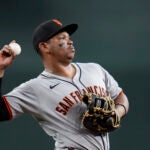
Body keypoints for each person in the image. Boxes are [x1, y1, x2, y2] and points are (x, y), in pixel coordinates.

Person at [0, 19, 129, 150]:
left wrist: (116, 113)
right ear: (45, 46)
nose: (70, 41)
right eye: (62, 38)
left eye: (69, 37)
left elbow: (120, 97)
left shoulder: (95, 69)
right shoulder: (35, 88)